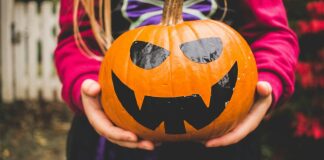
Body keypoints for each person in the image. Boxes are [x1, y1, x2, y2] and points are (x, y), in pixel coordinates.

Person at [54, 0, 299, 159]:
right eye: (147, 56)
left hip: (225, 137)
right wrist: (85, 86)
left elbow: (271, 33)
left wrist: (268, 81)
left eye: (205, 52)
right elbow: (77, 41)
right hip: (113, 138)